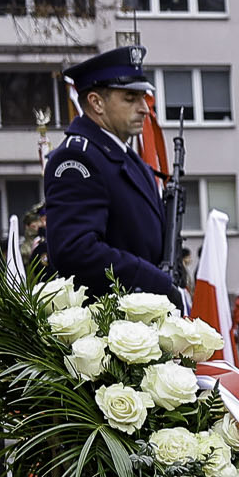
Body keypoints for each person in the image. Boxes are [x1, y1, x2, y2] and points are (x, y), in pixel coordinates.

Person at [43, 46, 176, 298]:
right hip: (107, 324)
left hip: (140, 320)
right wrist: (154, 281)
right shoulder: (77, 157)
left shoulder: (126, 158)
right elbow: (75, 250)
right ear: (96, 103)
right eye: (130, 98)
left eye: (143, 97)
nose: (144, 108)